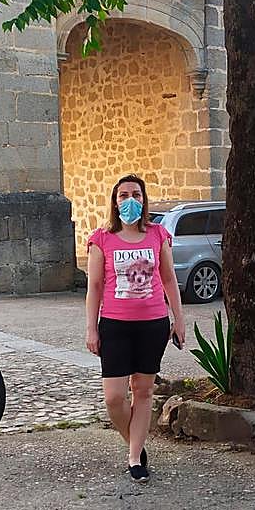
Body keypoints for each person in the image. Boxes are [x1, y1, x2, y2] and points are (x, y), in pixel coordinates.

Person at [85, 174, 186, 483]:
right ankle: (135, 441)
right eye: (124, 195)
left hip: (152, 325)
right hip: (115, 325)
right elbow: (95, 286)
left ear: (144, 200)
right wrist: (91, 327)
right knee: (114, 398)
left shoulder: (158, 234)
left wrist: (178, 320)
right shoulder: (102, 238)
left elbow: (168, 279)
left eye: (136, 195)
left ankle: (134, 458)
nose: (130, 200)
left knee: (142, 392)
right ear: (115, 202)